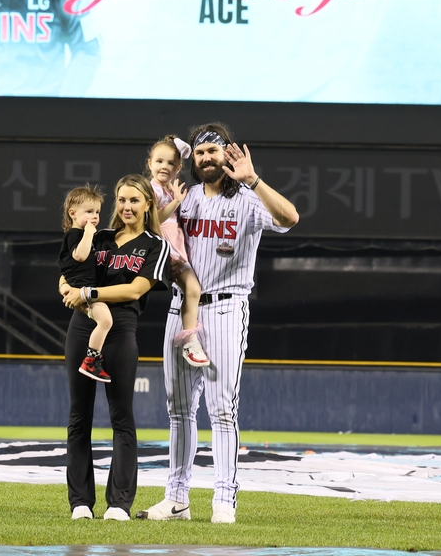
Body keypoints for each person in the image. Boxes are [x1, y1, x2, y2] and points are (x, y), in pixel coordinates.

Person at [142, 123, 299, 525]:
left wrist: (255, 179)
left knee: (222, 409)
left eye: (213, 151)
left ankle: (224, 499)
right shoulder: (187, 197)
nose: (207, 158)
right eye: (200, 153)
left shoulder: (247, 198)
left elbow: (290, 217)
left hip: (227, 308)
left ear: (226, 155)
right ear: (192, 161)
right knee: (178, 409)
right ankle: (176, 497)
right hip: (182, 307)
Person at [58, 175, 170, 522]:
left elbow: (135, 290)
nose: (126, 207)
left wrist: (89, 293)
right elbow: (68, 269)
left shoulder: (155, 245)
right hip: (82, 326)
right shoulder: (99, 236)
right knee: (79, 418)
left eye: (134, 200)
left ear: (148, 204)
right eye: (121, 200)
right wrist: (65, 286)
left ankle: (118, 504)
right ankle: (80, 502)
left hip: (120, 330)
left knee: (122, 418)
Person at [146, 135, 208, 367]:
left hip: (177, 243)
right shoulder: (149, 189)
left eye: (171, 163)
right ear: (149, 163)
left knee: (193, 289)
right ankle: (189, 339)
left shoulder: (171, 188)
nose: (165, 167)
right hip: (164, 244)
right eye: (159, 161)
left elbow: (188, 152)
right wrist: (176, 202)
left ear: (179, 167)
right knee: (193, 288)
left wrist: (176, 142)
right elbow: (152, 219)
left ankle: (191, 337)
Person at [58, 185, 113, 382]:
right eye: (89, 211)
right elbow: (80, 256)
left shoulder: (84, 235)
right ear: (72, 213)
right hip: (81, 290)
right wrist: (89, 232)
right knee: (106, 320)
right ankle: (91, 360)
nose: (95, 216)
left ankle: (93, 358)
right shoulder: (74, 235)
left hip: (85, 288)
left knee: (104, 320)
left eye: (97, 212)